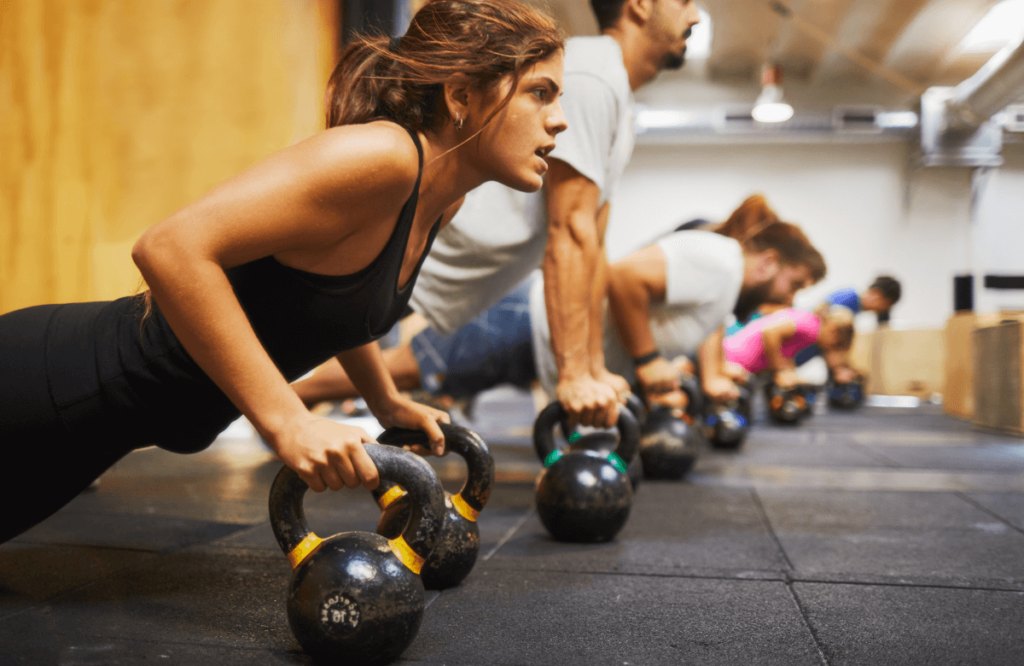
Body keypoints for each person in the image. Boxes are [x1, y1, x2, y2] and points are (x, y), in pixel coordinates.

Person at [0, 0, 566, 544]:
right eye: (540, 93)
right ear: (462, 94)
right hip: (57, 386)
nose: (559, 121)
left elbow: (340, 303)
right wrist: (287, 422)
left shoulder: (440, 199)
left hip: (99, 432)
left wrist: (385, 401)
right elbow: (170, 248)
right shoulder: (382, 157)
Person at [403, 0, 702, 429]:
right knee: (314, 363)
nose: (695, 16)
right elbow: (570, 230)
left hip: (466, 276)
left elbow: (594, 243)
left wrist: (594, 366)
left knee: (346, 369)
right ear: (639, 5)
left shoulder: (613, 90)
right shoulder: (593, 77)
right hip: (431, 257)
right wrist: (573, 375)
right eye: (685, 2)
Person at [293, 196, 827, 416]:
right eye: (794, 283)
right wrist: (646, 363)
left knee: (413, 379)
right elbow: (624, 278)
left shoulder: (723, 277)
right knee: (401, 373)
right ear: (769, 262)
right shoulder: (721, 260)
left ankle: (283, 402)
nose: (789, 300)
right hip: (530, 321)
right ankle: (276, 401)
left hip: (545, 342)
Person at [791, 275, 902, 381]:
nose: (882, 310)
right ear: (878, 295)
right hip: (796, 348)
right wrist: (840, 368)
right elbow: (829, 335)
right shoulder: (849, 299)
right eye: (885, 305)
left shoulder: (854, 306)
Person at [723, 305, 855, 390]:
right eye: (834, 345)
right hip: (733, 360)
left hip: (733, 357)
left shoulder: (808, 322)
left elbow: (785, 355)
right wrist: (781, 370)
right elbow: (770, 332)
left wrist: (789, 371)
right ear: (833, 331)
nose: (828, 348)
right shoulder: (812, 328)